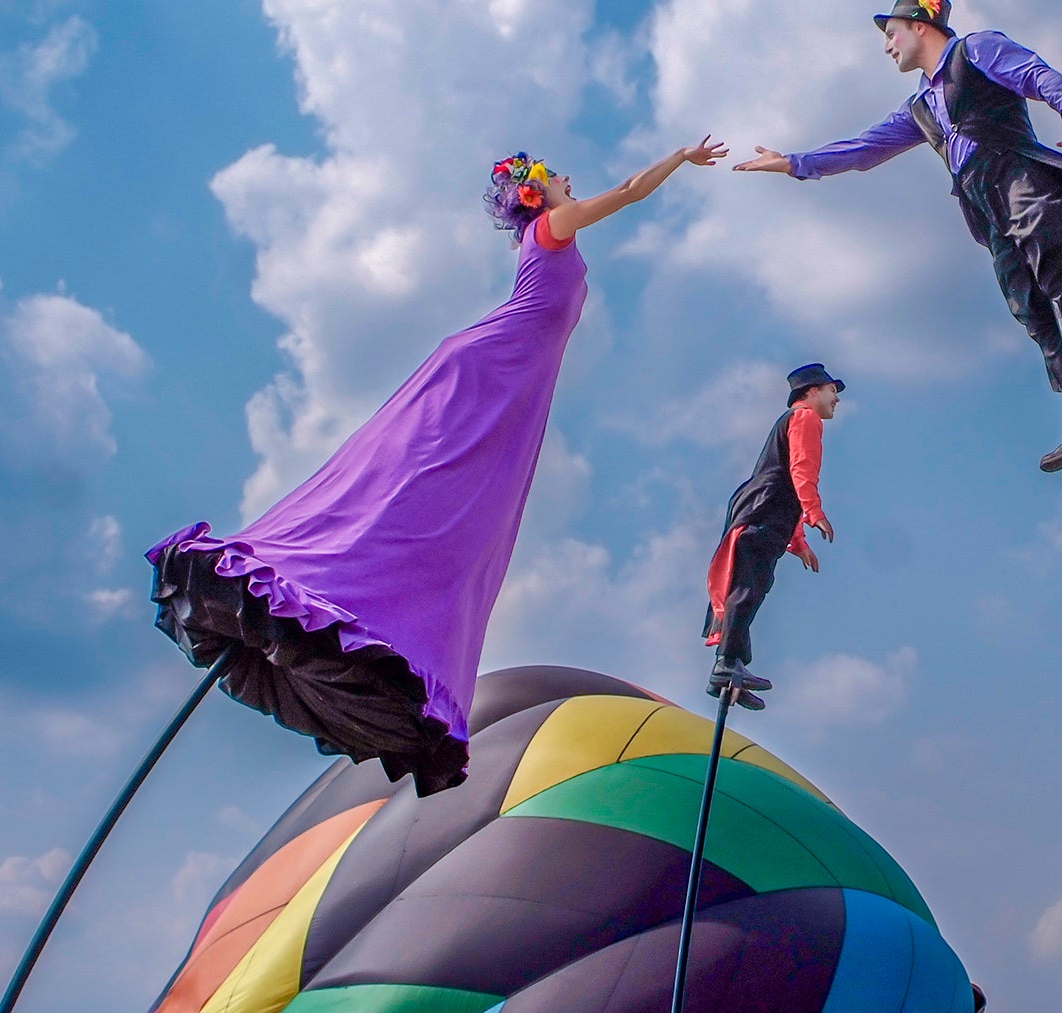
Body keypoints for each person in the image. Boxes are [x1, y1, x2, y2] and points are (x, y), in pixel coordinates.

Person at [147, 137, 729, 794]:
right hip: (489, 367)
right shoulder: (551, 225)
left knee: (471, 507)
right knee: (429, 478)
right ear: (537, 195)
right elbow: (625, 191)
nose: (570, 177)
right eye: (557, 174)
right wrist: (679, 158)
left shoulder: (549, 234)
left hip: (511, 382)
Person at [734, 0, 1062, 473]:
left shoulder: (976, 50)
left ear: (919, 25)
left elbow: (1036, 73)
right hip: (985, 204)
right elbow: (867, 148)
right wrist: (794, 163)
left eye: (891, 34)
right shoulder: (920, 106)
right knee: (1029, 308)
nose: (887, 46)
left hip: (1021, 179)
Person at [702, 363, 841, 709]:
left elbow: (788, 489)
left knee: (754, 587)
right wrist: (815, 513)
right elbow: (800, 470)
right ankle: (726, 665)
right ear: (811, 392)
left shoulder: (799, 420)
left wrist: (798, 542)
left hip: (767, 514)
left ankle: (731, 669)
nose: (836, 398)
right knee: (747, 587)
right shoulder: (804, 418)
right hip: (760, 514)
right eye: (831, 390)